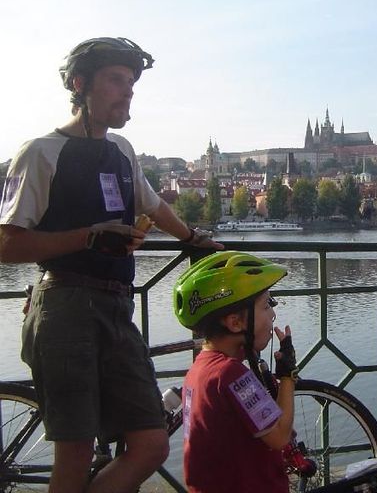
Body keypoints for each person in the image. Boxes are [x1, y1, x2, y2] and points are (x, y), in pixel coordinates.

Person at [0, 37, 223, 493]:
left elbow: (153, 204)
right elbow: (7, 244)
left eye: (132, 85)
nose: (128, 93)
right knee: (76, 454)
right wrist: (90, 235)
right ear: (81, 85)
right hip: (64, 306)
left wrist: (193, 238)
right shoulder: (41, 152)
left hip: (116, 308)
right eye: (116, 81)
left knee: (151, 443)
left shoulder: (121, 150)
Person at [173, 251, 298, 493]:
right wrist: (287, 374)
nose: (273, 314)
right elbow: (280, 436)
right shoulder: (230, 375)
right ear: (235, 323)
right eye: (266, 306)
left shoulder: (200, 368)